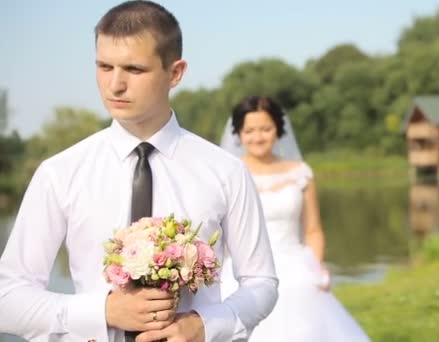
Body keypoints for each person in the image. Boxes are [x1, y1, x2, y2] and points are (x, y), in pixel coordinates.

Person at [0, 1, 278, 341]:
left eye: (134, 69)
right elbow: (7, 298)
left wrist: (206, 325)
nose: (114, 85)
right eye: (104, 66)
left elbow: (261, 282)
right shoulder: (59, 173)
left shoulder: (226, 171)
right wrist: (102, 311)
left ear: (175, 73)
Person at [219, 95, 371, 342]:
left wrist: (318, 267)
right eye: (250, 131)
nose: (258, 137)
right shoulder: (229, 174)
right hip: (243, 270)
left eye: (266, 129)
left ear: (278, 129)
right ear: (238, 133)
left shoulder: (300, 173)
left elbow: (313, 230)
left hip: (296, 267)